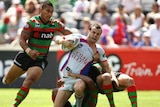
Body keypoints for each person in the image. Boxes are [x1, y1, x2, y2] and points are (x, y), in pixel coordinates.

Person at [2, 1, 72, 107]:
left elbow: (67, 32)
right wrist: (29, 51)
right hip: (26, 56)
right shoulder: (31, 22)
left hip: (40, 59)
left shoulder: (55, 23)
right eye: (47, 11)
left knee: (29, 80)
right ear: (40, 10)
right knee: (7, 81)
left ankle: (15, 105)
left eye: (52, 12)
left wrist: (81, 39)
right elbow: (22, 40)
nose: (50, 14)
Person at [53, 23, 116, 107]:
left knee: (79, 87)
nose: (95, 35)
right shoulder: (78, 39)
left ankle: (79, 105)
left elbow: (106, 66)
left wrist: (114, 77)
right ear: (88, 31)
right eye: (93, 32)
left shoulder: (99, 50)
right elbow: (59, 38)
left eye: (98, 34)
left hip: (80, 79)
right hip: (67, 78)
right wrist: (61, 41)